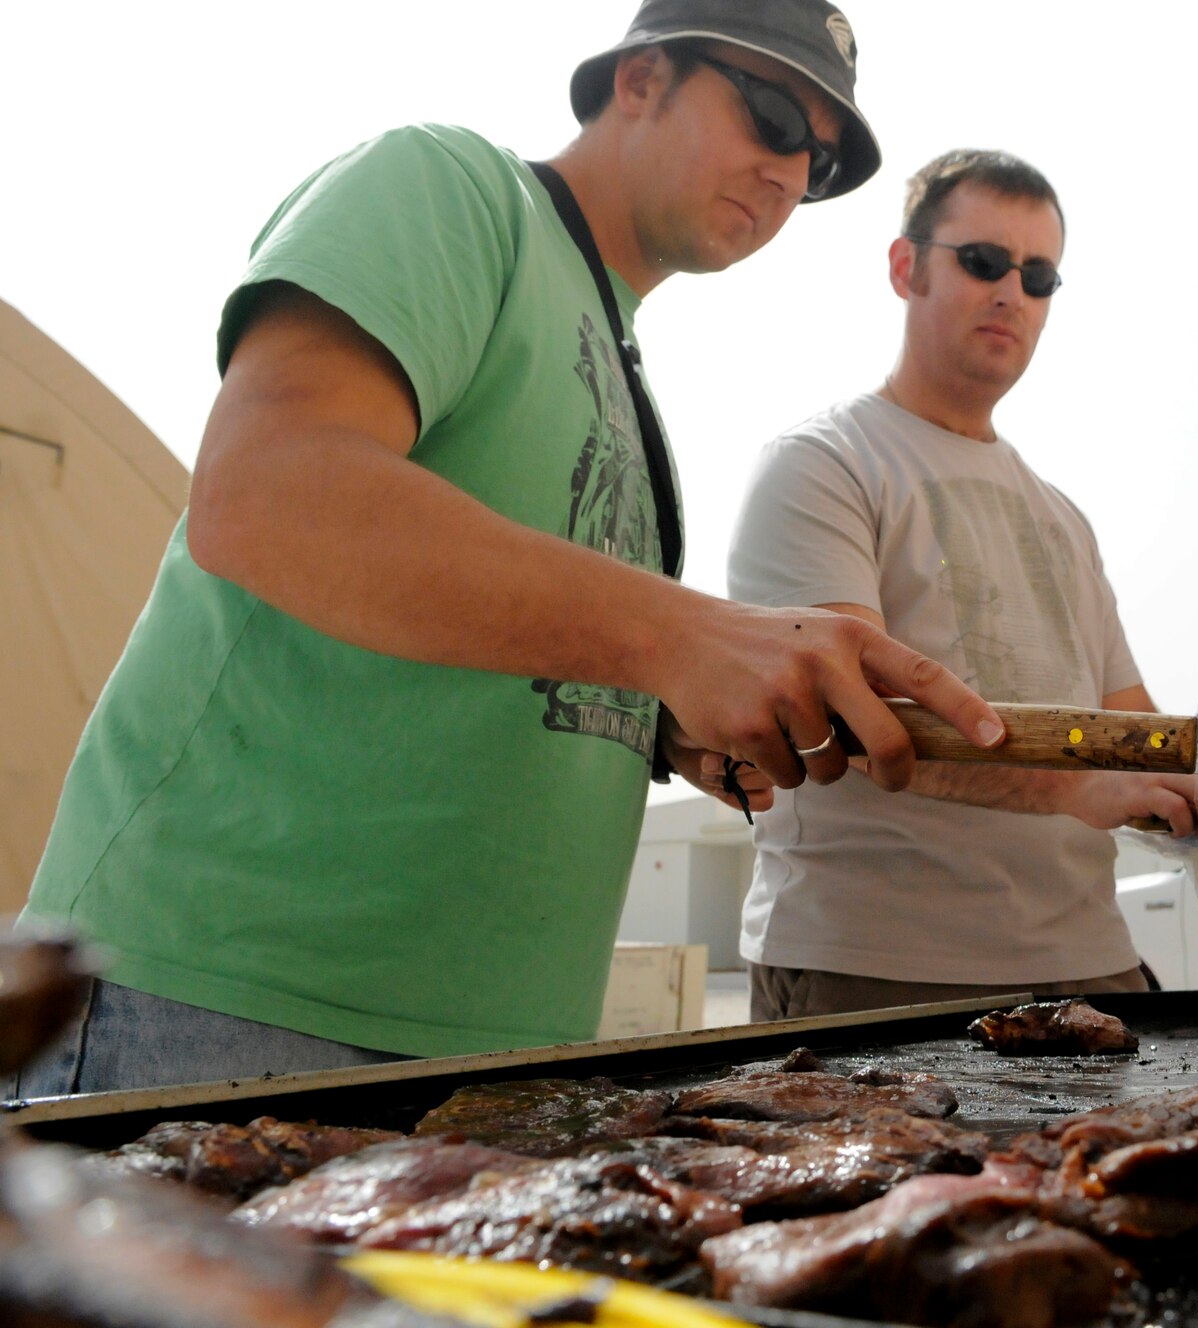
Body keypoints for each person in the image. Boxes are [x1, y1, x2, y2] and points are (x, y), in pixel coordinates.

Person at [11, 0, 1008, 1097]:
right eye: (771, 113)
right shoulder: (448, 186)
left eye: (817, 162)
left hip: (494, 1056)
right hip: (228, 1007)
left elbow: (527, 643)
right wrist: (682, 631)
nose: (787, 171)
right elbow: (265, 492)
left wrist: (663, 713)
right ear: (637, 81)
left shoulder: (629, 388)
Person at [727, 150, 1198, 1021]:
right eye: (982, 261)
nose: (1011, 291)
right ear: (906, 267)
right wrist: (1083, 785)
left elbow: (1134, 730)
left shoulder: (1062, 516)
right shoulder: (823, 465)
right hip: (875, 971)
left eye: (1039, 274)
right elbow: (849, 719)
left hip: (1092, 967)